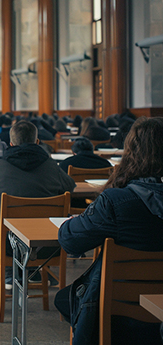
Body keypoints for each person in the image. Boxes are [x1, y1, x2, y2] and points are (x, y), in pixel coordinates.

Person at [55, 117, 163, 345]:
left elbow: (71, 242)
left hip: (120, 312)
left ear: (131, 151)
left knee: (65, 299)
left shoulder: (115, 201)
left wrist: (77, 220)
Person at [0, 120, 75, 255]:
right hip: (45, 244)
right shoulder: (51, 166)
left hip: (5, 243)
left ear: (11, 144)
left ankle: (8, 271)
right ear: (37, 142)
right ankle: (31, 272)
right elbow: (70, 187)